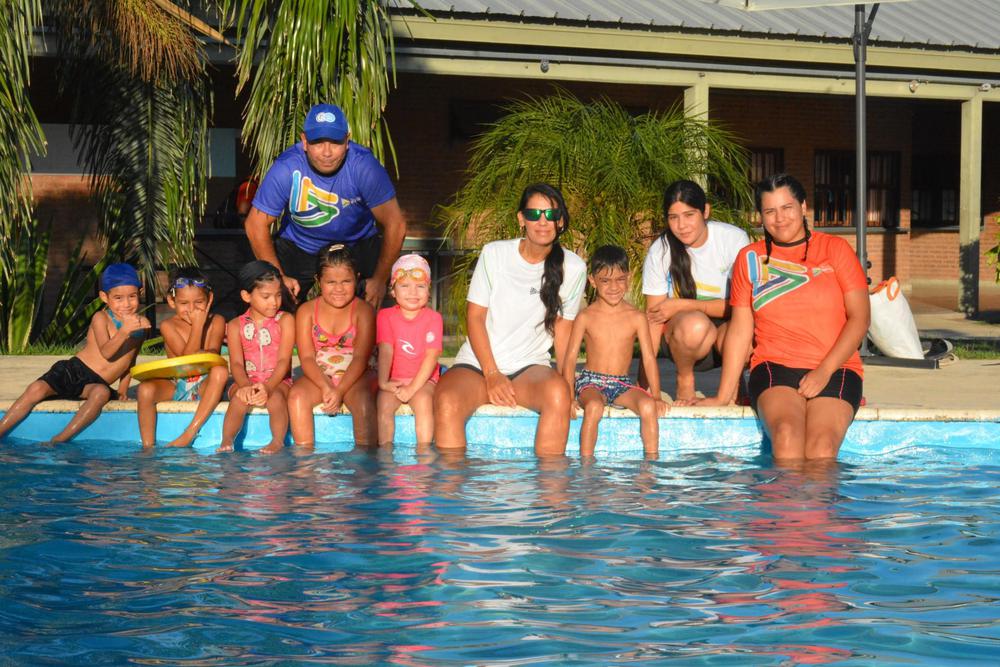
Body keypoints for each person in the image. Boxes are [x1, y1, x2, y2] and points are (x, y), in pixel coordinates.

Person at [694, 173, 870, 462]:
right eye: (770, 211)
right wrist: (723, 395)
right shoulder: (749, 258)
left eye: (787, 208)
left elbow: (860, 319)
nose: (780, 218)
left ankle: (820, 507)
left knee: (822, 447)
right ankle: (781, 507)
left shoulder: (835, 250)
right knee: (787, 438)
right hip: (774, 366)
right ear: (760, 216)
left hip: (836, 368)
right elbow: (740, 329)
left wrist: (823, 371)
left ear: (803, 208)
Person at [434, 183, 587, 457]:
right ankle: (452, 496)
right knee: (446, 401)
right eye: (534, 214)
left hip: (529, 369)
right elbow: (475, 318)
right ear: (521, 219)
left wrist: (569, 389)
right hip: (478, 365)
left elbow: (564, 335)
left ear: (561, 221)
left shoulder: (574, 268)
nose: (543, 222)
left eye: (551, 215)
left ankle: (551, 495)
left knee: (558, 395)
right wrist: (492, 374)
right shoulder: (495, 254)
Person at [244, 103, 406, 309]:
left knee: (377, 312)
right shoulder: (286, 168)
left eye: (335, 142)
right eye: (318, 142)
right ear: (304, 141)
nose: (327, 152)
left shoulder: (364, 166)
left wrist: (380, 280)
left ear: (347, 141)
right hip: (299, 245)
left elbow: (396, 224)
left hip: (357, 244)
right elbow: (254, 224)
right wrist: (279, 277)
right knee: (272, 304)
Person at [0, 263, 150, 445]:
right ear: (104, 297)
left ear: (140, 293)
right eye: (118, 298)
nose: (126, 304)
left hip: (96, 383)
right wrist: (124, 331)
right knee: (36, 389)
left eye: (132, 296)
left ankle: (58, 440)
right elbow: (107, 352)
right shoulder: (100, 318)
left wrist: (123, 390)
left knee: (101, 394)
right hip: (75, 370)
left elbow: (129, 360)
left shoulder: (142, 326)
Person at [641, 180, 750, 402]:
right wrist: (644, 387)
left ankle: (734, 388)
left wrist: (683, 304)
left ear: (705, 211)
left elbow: (743, 307)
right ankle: (685, 381)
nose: (682, 225)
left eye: (689, 215)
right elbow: (653, 320)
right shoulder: (660, 250)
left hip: (727, 330)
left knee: (747, 334)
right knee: (695, 324)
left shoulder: (733, 240)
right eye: (674, 217)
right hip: (683, 337)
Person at [562, 245, 668, 458]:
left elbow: (648, 357)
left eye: (620, 279)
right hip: (591, 382)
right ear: (592, 281)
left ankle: (651, 465)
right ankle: (586, 465)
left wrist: (656, 395)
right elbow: (571, 358)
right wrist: (569, 396)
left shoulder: (636, 317)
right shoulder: (586, 316)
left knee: (647, 406)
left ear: (628, 278)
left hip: (621, 383)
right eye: (605, 281)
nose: (613, 287)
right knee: (593, 407)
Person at [288, 244, 377, 449]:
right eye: (331, 282)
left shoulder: (363, 311)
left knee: (363, 402)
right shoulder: (306, 311)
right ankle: (305, 463)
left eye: (346, 281)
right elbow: (307, 358)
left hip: (357, 375)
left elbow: (360, 359)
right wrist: (327, 387)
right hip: (320, 376)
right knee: (297, 397)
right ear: (318, 281)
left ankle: (365, 465)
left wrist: (341, 389)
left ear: (357, 278)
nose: (339, 288)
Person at [136, 267, 228, 448]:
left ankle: (190, 433)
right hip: (176, 382)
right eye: (184, 303)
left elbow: (212, 357)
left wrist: (200, 326)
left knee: (220, 372)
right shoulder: (167, 325)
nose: (192, 310)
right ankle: (147, 448)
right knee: (144, 390)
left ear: (209, 299)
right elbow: (187, 359)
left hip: (205, 384)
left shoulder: (217, 321)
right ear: (172, 301)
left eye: (199, 302)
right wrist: (198, 326)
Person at [219, 261, 295, 454]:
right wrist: (244, 386)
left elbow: (283, 361)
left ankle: (277, 441)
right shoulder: (235, 325)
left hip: (278, 382)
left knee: (275, 398)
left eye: (278, 295)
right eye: (266, 296)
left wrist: (268, 387)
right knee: (238, 398)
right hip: (246, 380)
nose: (274, 302)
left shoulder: (285, 320)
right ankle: (227, 441)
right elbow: (236, 363)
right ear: (246, 296)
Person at [376, 254, 443, 446]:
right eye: (405, 286)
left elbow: (431, 357)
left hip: (424, 380)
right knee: (384, 404)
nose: (413, 292)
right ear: (393, 291)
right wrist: (383, 383)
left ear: (428, 290)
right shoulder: (385, 316)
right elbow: (386, 350)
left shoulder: (433, 318)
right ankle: (385, 454)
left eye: (420, 286)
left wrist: (413, 388)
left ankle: (424, 453)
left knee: (423, 403)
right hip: (394, 379)